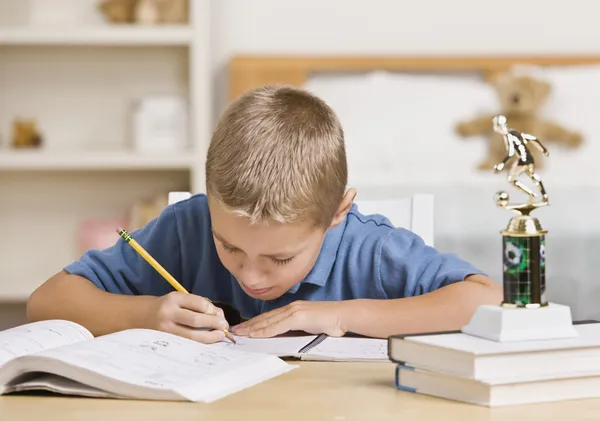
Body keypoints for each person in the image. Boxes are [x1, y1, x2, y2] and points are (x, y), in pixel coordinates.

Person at [27, 85, 502, 343]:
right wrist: (146, 313)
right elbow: (47, 301)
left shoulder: (370, 249)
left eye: (279, 258)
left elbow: (488, 300)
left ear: (337, 212)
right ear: (209, 202)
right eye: (229, 246)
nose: (250, 276)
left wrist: (341, 315)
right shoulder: (187, 225)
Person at [492, 114, 549, 203]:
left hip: (523, 160)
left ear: (497, 126)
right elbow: (532, 138)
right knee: (532, 175)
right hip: (530, 158)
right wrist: (543, 149)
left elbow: (510, 153)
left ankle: (531, 194)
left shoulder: (508, 136)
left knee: (511, 179)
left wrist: (501, 165)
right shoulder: (515, 132)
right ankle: (544, 195)